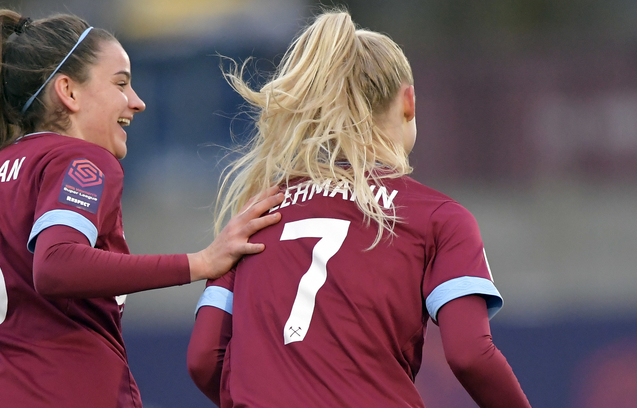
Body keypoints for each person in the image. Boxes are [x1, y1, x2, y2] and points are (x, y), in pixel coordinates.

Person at [0, 9, 283, 408]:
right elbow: (56, 265)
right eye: (121, 83)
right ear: (69, 92)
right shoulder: (80, 160)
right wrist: (202, 262)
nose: (137, 102)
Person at [187, 9, 532, 408]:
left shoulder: (256, 214)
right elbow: (470, 354)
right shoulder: (438, 217)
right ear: (408, 101)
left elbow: (202, 359)